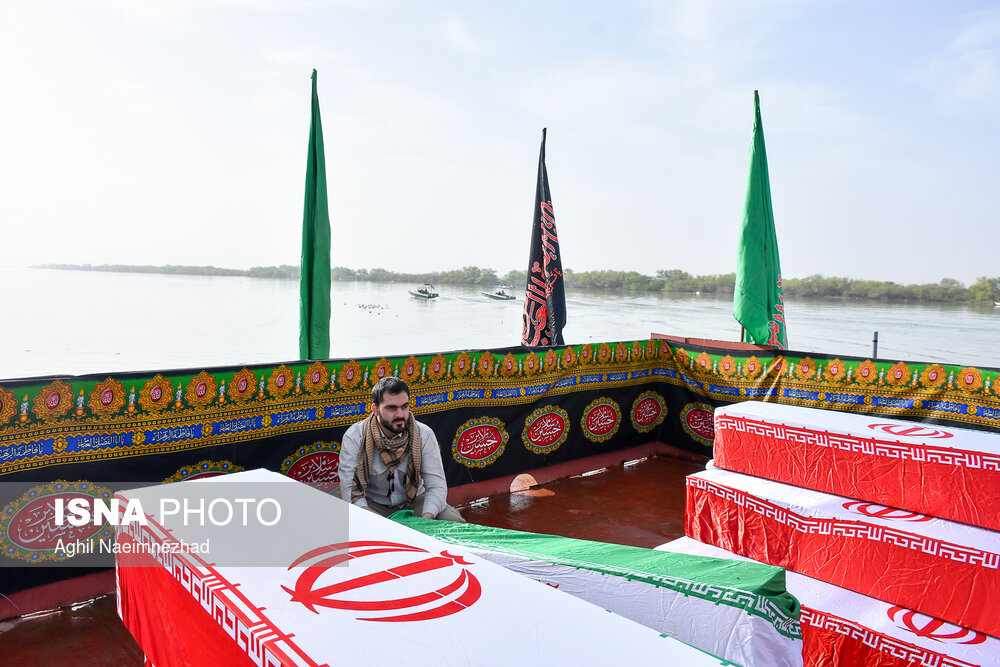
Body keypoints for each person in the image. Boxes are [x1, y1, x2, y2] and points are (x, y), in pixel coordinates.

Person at [338, 376, 465, 522]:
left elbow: (436, 486)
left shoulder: (424, 434)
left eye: (404, 406)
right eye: (392, 408)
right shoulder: (355, 437)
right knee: (347, 527)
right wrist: (377, 521)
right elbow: (349, 491)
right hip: (373, 506)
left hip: (414, 502)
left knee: (452, 520)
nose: (400, 414)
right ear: (375, 409)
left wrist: (425, 520)